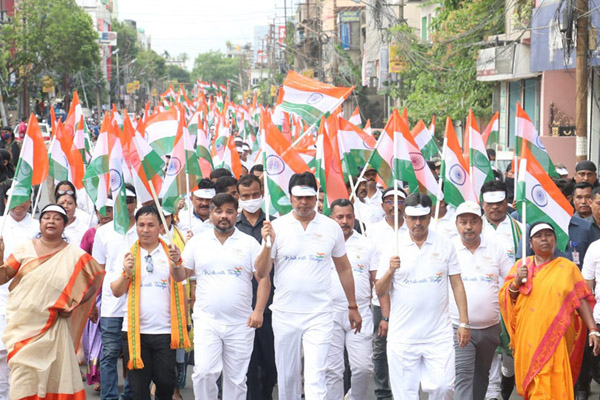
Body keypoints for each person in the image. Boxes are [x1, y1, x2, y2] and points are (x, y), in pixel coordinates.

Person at [257, 172, 362, 399]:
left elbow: (344, 268)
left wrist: (352, 306)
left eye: (308, 197)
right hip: (285, 313)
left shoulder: (330, 227)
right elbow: (261, 272)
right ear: (291, 197)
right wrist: (267, 244)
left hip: (320, 313)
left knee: (316, 376)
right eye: (298, 197)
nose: (303, 203)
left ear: (316, 197)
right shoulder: (276, 227)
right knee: (288, 377)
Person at [0, 204, 104, 399]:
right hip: (22, 327)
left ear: (64, 225)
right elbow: (3, 277)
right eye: (46, 217)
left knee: (53, 378)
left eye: (57, 218)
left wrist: (74, 303)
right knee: (22, 380)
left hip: (54, 328)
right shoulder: (25, 248)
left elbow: (95, 278)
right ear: (40, 223)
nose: (51, 221)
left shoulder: (74, 254)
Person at [375, 193, 470, 399]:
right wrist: (390, 271)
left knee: (443, 388)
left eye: (422, 218)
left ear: (429, 217)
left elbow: (456, 283)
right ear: (405, 218)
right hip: (402, 337)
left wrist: (464, 322)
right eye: (413, 218)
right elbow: (380, 291)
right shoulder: (393, 245)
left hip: (438, 335)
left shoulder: (445, 244)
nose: (417, 223)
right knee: (405, 395)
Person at [177, 193, 271, 399]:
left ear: (236, 214)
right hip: (207, 320)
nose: (223, 216)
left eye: (229, 211)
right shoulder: (197, 242)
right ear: (211, 214)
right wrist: (175, 261)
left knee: (236, 378)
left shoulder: (249, 243)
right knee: (203, 372)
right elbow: (181, 275)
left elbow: (263, 277)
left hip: (240, 323)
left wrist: (258, 311)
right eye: (218, 211)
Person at [500, 222, 600, 398]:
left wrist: (593, 330)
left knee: (552, 385)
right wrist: (516, 282)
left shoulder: (567, 267)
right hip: (529, 338)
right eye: (538, 236)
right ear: (530, 243)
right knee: (534, 387)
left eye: (548, 235)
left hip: (557, 339)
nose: (544, 239)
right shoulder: (521, 267)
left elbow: (581, 299)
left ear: (555, 239)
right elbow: (507, 299)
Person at [110, 206, 190, 400]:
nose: (145, 230)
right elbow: (116, 290)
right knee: (138, 389)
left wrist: (177, 262)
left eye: (151, 225)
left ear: (161, 228)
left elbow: (180, 279)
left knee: (165, 383)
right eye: (141, 225)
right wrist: (126, 274)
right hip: (135, 333)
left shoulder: (170, 252)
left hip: (165, 332)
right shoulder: (126, 253)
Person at [452, 201, 513, 400]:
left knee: (481, 376)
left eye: (473, 222)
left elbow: (511, 280)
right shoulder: (449, 248)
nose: (468, 227)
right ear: (457, 225)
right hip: (458, 326)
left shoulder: (495, 249)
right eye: (463, 222)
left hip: (490, 328)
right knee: (463, 375)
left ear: (482, 224)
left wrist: (520, 277)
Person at [326, 199, 375, 400]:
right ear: (331, 218)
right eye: (339, 217)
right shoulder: (323, 242)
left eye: (349, 216)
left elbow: (375, 280)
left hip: (360, 310)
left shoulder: (367, 244)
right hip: (328, 312)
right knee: (332, 369)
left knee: (363, 368)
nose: (344, 221)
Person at [93, 185, 138, 400]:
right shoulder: (103, 232)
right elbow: (98, 271)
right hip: (111, 305)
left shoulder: (144, 229)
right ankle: (109, 397)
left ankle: (128, 396)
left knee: (134, 355)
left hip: (138, 304)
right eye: (121, 200)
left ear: (136, 203)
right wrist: (93, 303)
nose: (125, 204)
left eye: (129, 200)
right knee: (109, 354)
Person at [235, 174, 277, 400]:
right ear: (239, 197)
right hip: (240, 307)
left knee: (270, 364)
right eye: (246, 196)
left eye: (255, 195)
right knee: (246, 366)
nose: (251, 199)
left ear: (262, 194)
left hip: (270, 307)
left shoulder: (274, 223)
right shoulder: (232, 226)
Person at [480, 180, 520, 399]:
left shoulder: (520, 231)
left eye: (499, 203)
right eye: (490, 204)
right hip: (486, 300)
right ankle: (493, 393)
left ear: (507, 203)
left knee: (510, 357)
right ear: (482, 204)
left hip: (512, 300)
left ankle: (506, 380)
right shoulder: (475, 228)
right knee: (491, 351)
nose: (495, 208)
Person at [368, 187, 406, 400]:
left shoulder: (411, 228)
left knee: (406, 347)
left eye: (399, 201)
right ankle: (383, 392)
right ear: (383, 206)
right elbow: (373, 271)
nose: (394, 205)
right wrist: (384, 313)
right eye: (389, 201)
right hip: (380, 298)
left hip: (406, 299)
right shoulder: (373, 231)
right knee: (380, 347)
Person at [0, 189, 38, 400]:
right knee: (2, 356)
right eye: (14, 199)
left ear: (30, 201)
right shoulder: (0, 223)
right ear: (6, 200)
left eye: (24, 199)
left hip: (29, 301)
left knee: (23, 356)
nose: (19, 204)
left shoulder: (37, 227)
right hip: (1, 299)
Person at [81, 200, 114, 392]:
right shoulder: (91, 234)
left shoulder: (123, 234)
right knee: (94, 338)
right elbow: (82, 260)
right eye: (102, 210)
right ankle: (99, 377)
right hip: (95, 289)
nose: (106, 214)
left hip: (115, 289)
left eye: (109, 210)